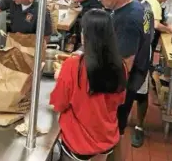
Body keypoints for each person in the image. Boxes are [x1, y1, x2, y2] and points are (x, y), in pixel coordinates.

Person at [50, 9, 127, 161]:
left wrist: (60, 78)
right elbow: (119, 101)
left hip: (79, 142)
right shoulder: (120, 66)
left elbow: (59, 104)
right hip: (106, 138)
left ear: (85, 35)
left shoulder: (73, 66)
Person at [97, 0, 151, 161]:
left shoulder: (127, 19)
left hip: (125, 81)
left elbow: (124, 64)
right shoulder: (140, 6)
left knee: (114, 126)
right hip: (139, 72)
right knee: (119, 126)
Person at [127, 0, 155, 148]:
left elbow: (147, 37)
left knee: (141, 92)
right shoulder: (130, 5)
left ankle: (139, 126)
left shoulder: (146, 11)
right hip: (127, 53)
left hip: (140, 55)